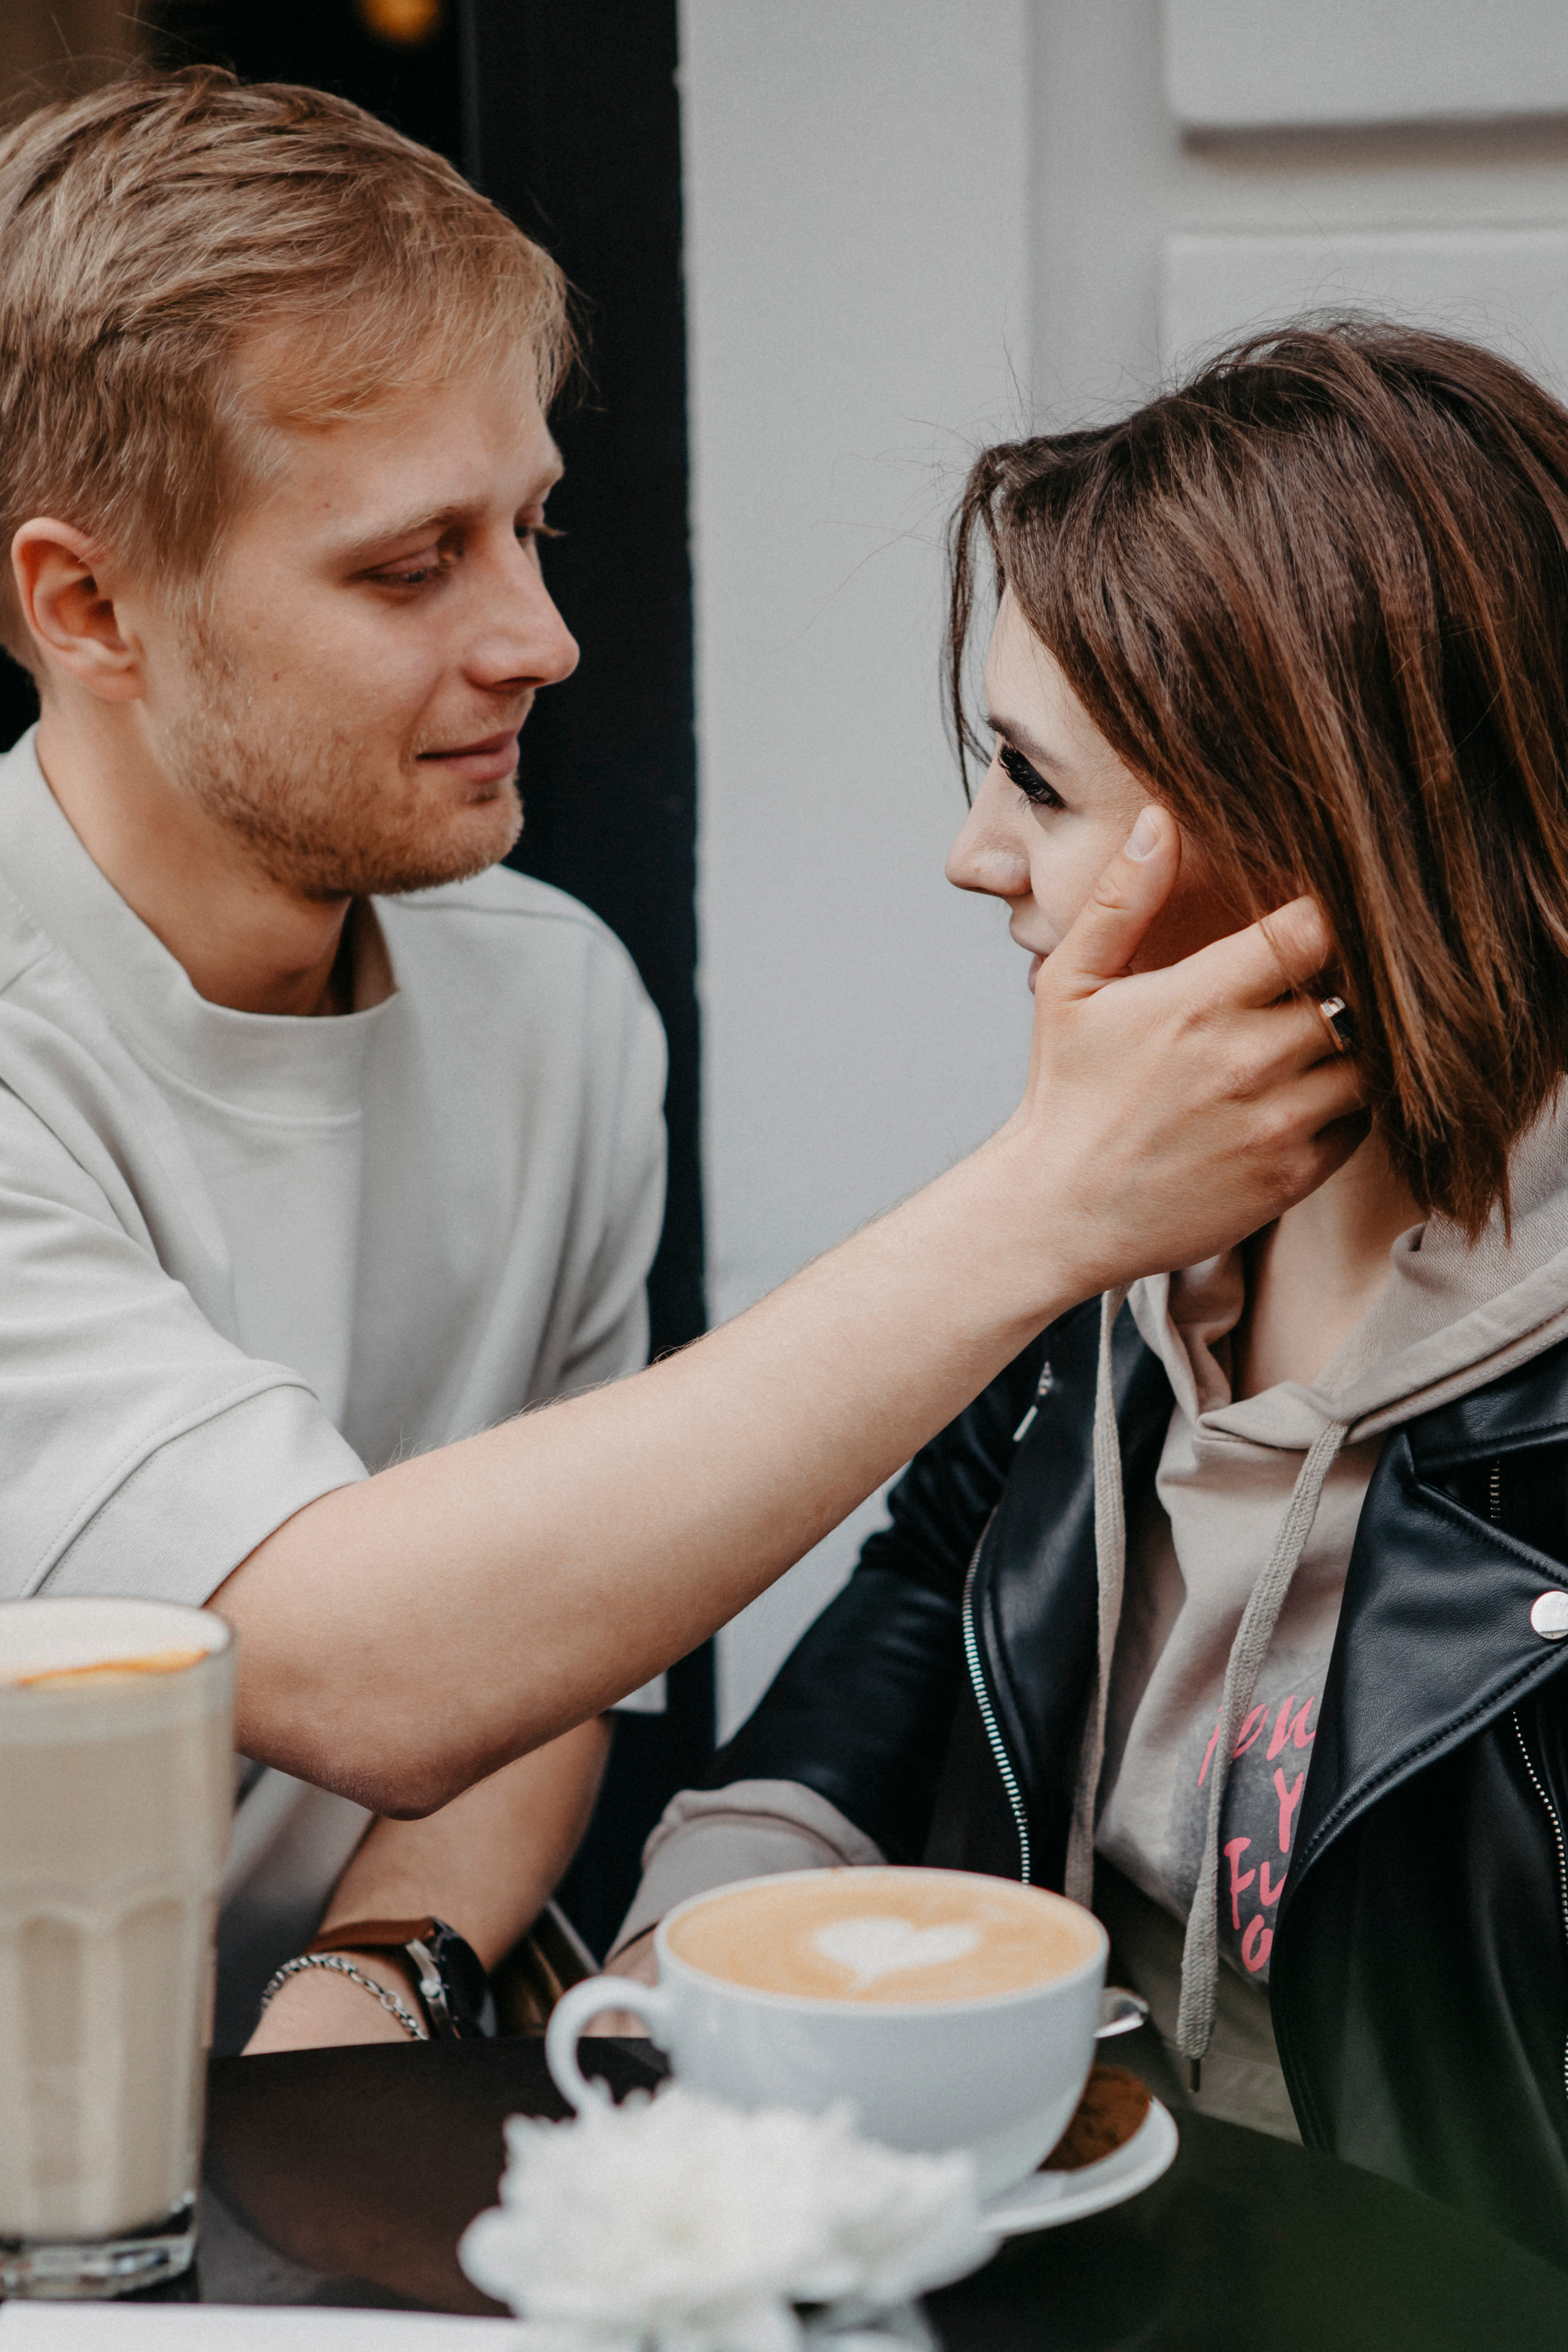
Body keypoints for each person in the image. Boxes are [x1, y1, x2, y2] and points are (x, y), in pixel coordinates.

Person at [0, 71, 1360, 2058]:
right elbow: (368, 1666)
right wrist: (1054, 1199)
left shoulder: (552, 1005)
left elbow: (554, 1647)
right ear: (90, 604)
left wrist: (375, 1980)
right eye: (411, 567)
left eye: (531, 526)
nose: (541, 636)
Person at [606, 322, 1568, 2263]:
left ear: (1324, 834)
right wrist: (697, 1949)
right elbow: (940, 1571)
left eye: (1035, 785)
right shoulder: (1149, 1214)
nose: (976, 859)